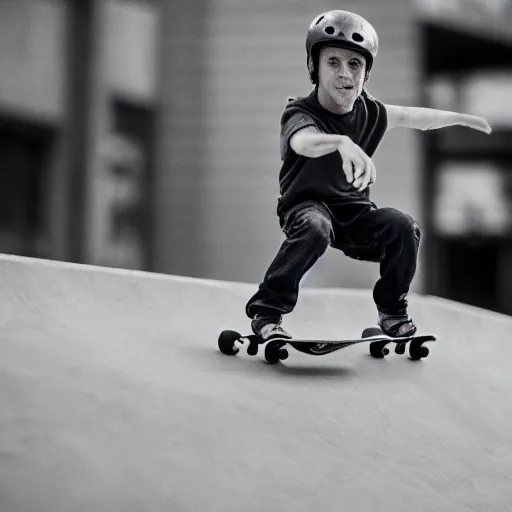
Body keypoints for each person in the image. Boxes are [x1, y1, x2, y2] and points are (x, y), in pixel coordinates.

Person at [245, 10, 492, 341]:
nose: (345, 73)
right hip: (306, 207)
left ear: (366, 75)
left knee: (403, 227)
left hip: (354, 215)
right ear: (314, 68)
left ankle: (392, 312)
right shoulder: (299, 111)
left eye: (355, 64)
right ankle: (267, 312)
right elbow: (302, 143)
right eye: (333, 62)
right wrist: (340, 143)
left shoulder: (371, 111)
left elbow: (412, 116)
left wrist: (461, 117)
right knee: (317, 228)